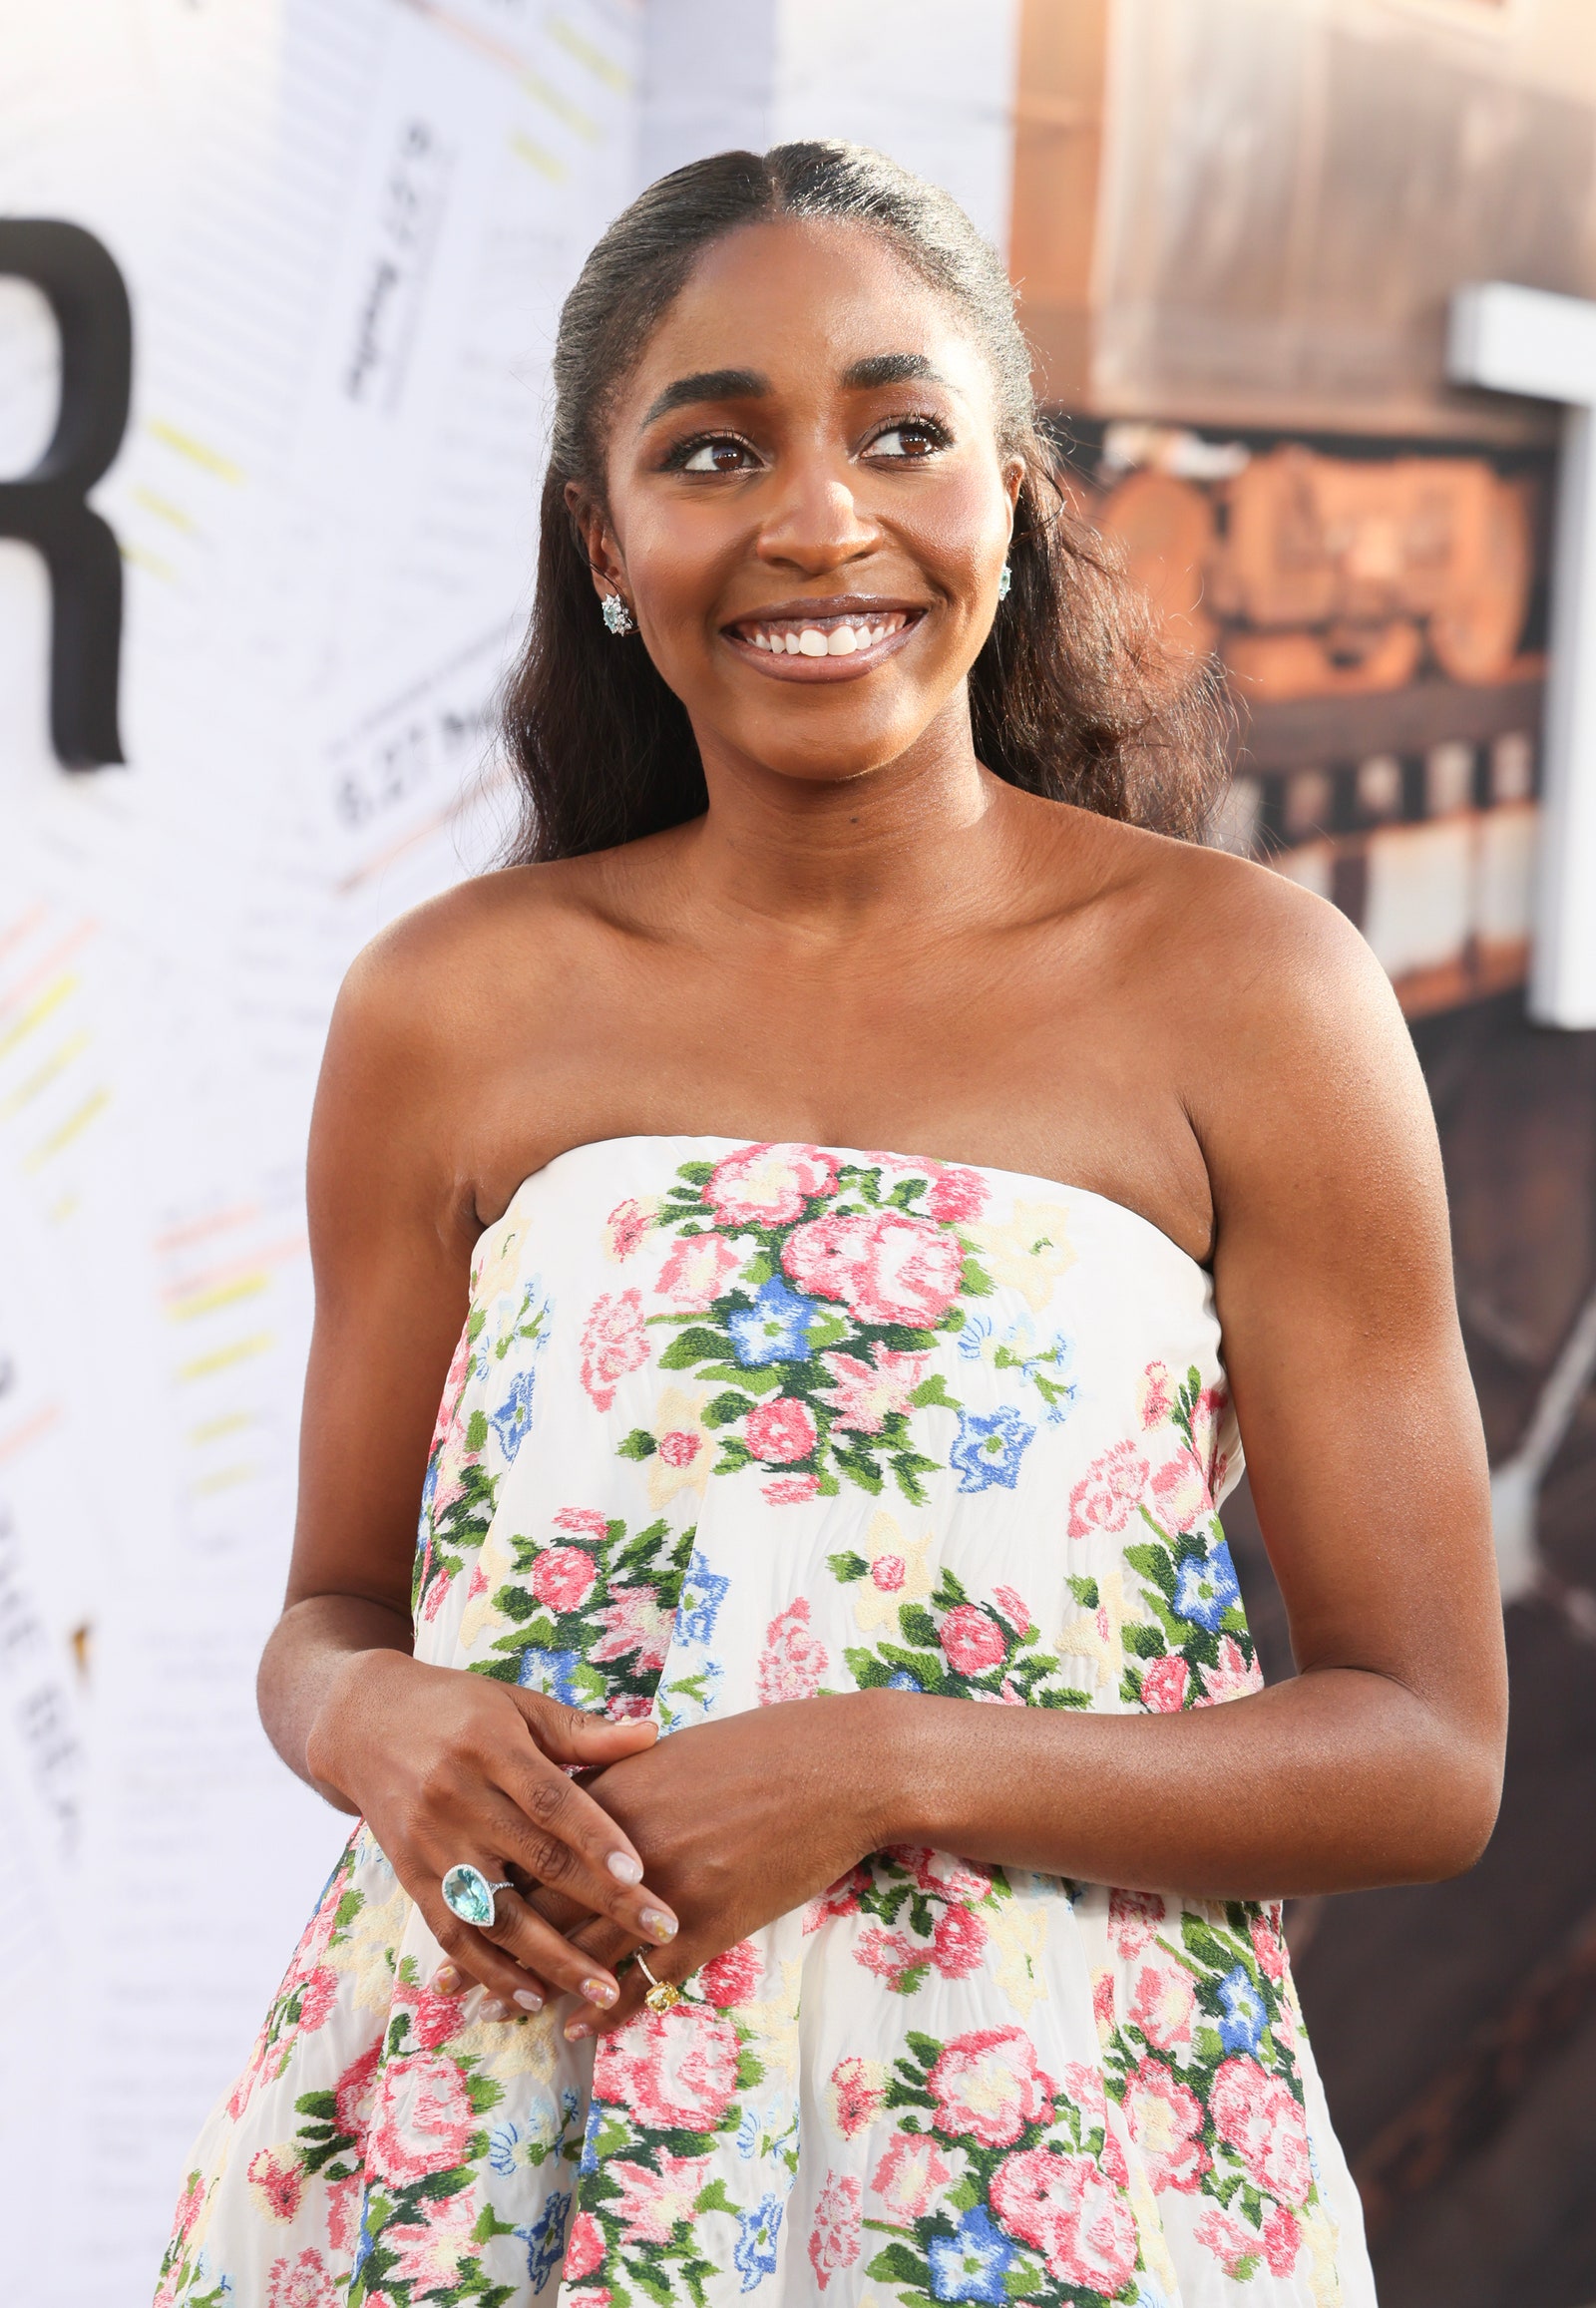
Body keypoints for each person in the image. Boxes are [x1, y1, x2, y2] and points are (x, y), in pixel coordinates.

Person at [157, 144, 1505, 2308]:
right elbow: (328, 1608)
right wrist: (374, 1724)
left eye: (900, 432)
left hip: (1054, 2161)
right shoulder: (451, 1000)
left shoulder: (1252, 994)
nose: (817, 517)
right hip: (488, 2132)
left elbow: (1423, 1748)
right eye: (714, 450)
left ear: (1014, 493)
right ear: (608, 541)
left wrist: (881, 1759)